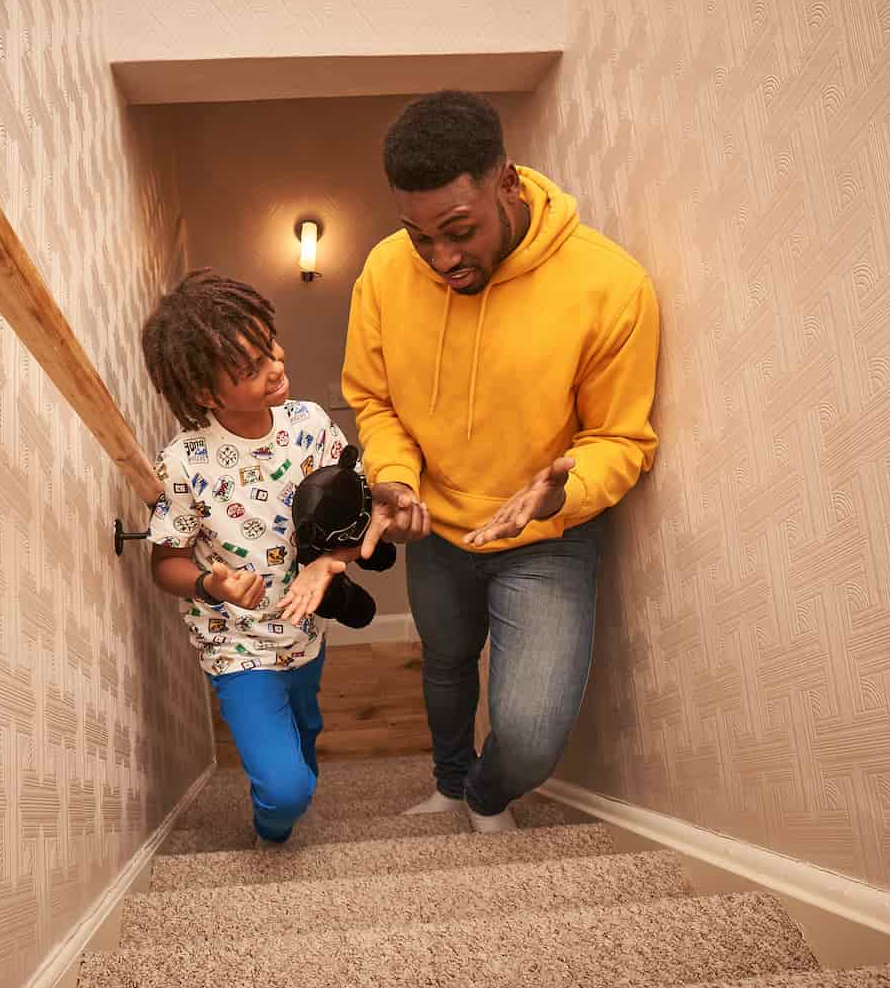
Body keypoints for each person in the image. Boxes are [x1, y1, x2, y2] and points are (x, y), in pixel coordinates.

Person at [342, 90, 661, 832]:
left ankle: (487, 796)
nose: (441, 258)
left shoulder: (610, 286)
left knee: (530, 735)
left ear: (508, 183)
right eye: (420, 236)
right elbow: (373, 398)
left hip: (547, 537)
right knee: (447, 667)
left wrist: (565, 490)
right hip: (434, 528)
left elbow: (623, 439)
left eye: (459, 230)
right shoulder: (386, 271)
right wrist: (395, 478)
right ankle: (451, 785)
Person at [141, 270, 358, 844]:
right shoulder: (184, 462)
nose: (276, 366)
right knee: (287, 789)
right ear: (207, 394)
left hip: (304, 633)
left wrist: (325, 564)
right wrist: (213, 585)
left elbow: (355, 523)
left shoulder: (312, 427)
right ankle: (273, 827)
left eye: (271, 346)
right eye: (251, 368)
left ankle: (291, 781)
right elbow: (165, 563)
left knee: (305, 730)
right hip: (234, 644)